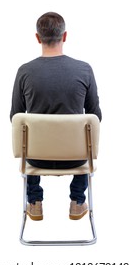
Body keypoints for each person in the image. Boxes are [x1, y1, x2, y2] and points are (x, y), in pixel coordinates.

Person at [10, 12, 102, 221]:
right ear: (65, 36)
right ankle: (77, 201)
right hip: (76, 158)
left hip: (35, 156)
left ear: (37, 37)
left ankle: (34, 202)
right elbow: (95, 116)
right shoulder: (84, 70)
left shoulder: (24, 72)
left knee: (27, 138)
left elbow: (15, 117)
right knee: (87, 138)